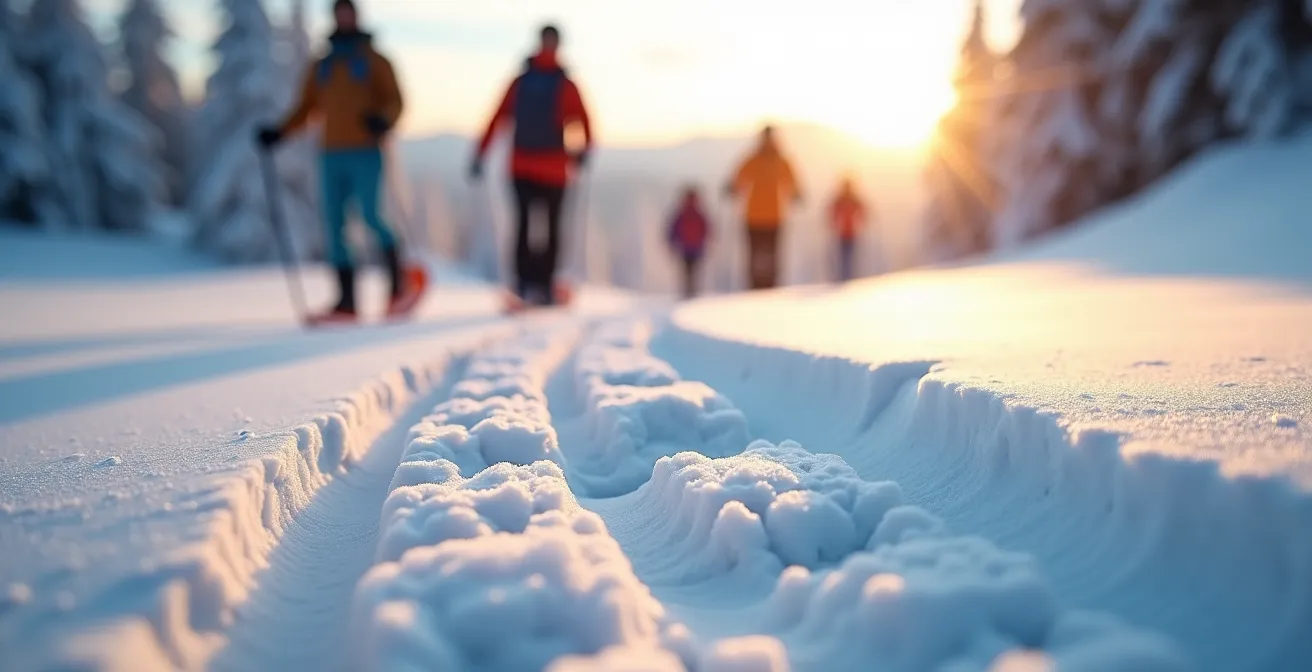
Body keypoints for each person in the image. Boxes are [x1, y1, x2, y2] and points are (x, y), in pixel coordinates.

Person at [257, 0, 422, 325]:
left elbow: (395, 100)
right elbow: (306, 108)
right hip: (331, 152)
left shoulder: (375, 61)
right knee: (334, 225)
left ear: (356, 17)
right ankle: (347, 302)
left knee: (371, 216)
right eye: (339, 13)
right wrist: (279, 132)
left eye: (348, 12)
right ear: (334, 18)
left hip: (366, 149)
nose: (344, 18)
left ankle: (397, 287)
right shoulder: (323, 65)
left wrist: (384, 119)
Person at [469, 24, 594, 308]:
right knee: (550, 228)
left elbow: (497, 117)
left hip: (521, 166)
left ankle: (525, 284)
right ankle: (544, 285)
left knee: (524, 225)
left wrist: (480, 154)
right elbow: (585, 121)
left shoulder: (521, 82)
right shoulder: (565, 84)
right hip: (554, 169)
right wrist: (583, 151)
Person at [725, 125, 801, 290]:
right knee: (763, 255)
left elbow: (739, 179)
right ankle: (762, 286)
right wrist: (796, 193)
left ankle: (764, 286)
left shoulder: (761, 159)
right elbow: (739, 178)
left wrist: (732, 188)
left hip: (766, 216)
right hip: (763, 216)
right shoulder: (771, 160)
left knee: (764, 255)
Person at [667, 186, 712, 299]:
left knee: (687, 271)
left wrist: (672, 242)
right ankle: (692, 292)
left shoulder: (681, 214)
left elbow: (673, 229)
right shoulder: (699, 214)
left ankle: (688, 292)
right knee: (694, 271)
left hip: (685, 248)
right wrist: (706, 241)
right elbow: (706, 229)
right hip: (697, 248)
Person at [829, 176, 870, 282]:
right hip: (842, 233)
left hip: (851, 232)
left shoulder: (853, 199)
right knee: (843, 257)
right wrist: (834, 224)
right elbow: (832, 213)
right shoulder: (840, 199)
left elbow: (863, 211)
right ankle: (844, 277)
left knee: (850, 257)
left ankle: (849, 277)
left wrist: (860, 223)